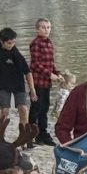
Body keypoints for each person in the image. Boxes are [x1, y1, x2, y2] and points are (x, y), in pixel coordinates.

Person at [29, 18, 63, 146]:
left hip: (47, 83)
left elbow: (51, 63)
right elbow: (35, 64)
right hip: (37, 82)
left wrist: (57, 73)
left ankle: (42, 134)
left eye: (48, 27)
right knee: (36, 109)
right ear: (37, 29)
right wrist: (50, 75)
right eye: (43, 27)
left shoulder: (49, 43)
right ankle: (31, 134)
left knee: (44, 108)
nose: (46, 30)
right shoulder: (35, 43)